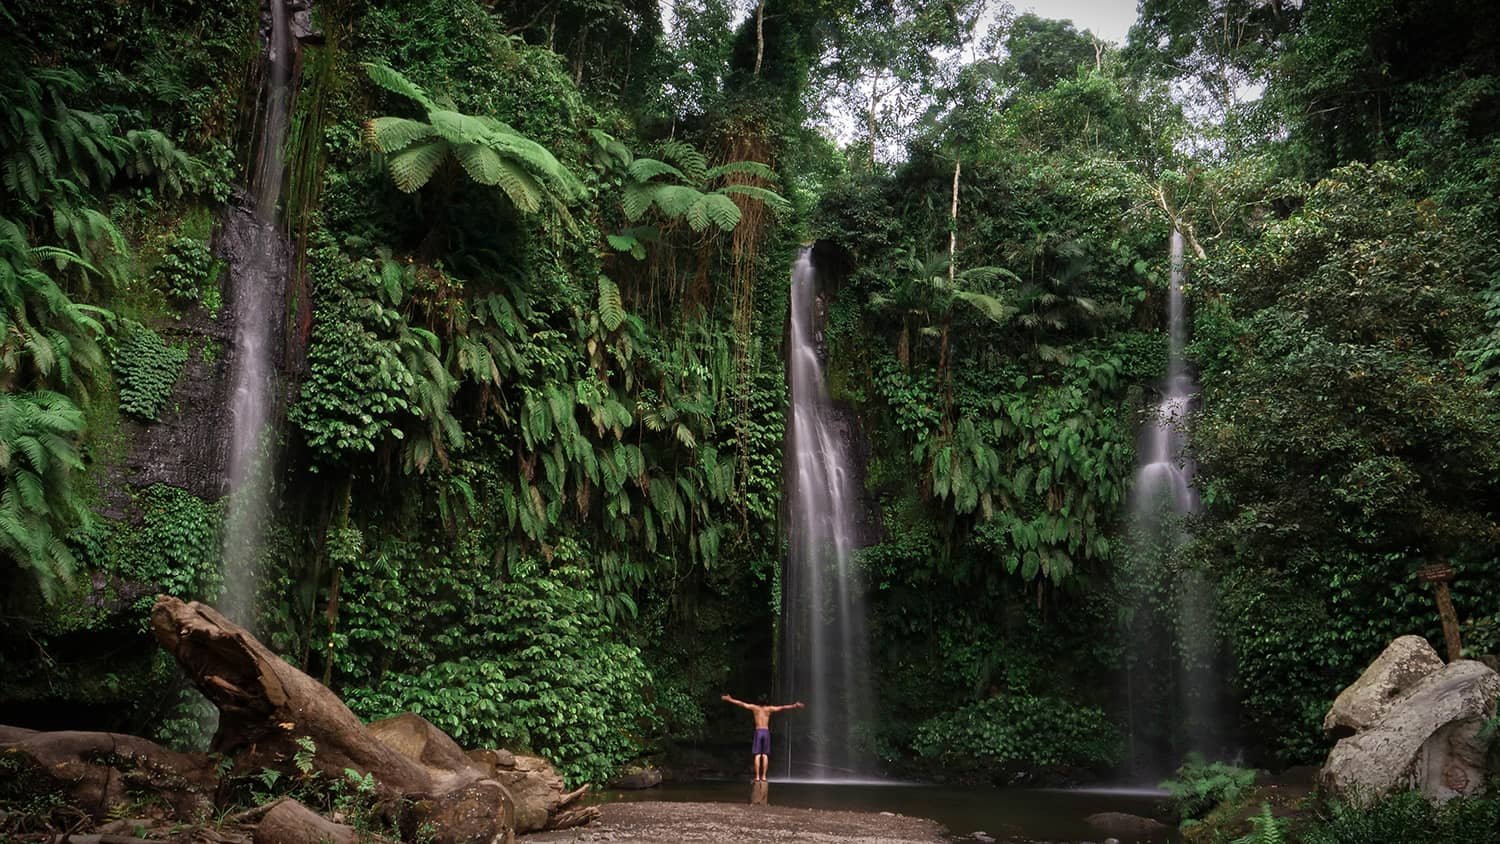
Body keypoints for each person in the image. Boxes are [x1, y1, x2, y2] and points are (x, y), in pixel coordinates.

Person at [721, 693, 804, 782]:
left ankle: (757, 777)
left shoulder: (754, 708)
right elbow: (782, 707)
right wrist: (794, 705)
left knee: (757, 755)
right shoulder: (769, 709)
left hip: (758, 731)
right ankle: (763, 776)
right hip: (765, 732)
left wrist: (730, 699)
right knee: (765, 755)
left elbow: (741, 704)